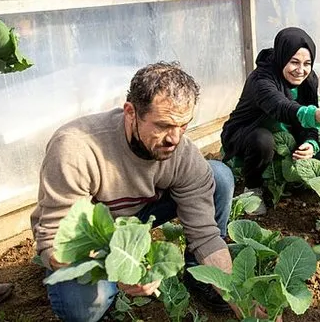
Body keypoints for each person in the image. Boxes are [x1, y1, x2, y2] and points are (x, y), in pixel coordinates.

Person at [30, 62, 248, 321]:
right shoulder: (76, 148)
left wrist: (239, 298)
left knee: (218, 176)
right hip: (91, 235)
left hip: (139, 217)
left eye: (183, 125)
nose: (174, 139)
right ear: (130, 112)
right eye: (163, 125)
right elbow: (56, 243)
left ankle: (198, 275)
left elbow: (206, 236)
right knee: (83, 310)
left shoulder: (182, 153)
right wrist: (121, 266)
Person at [221, 27, 320, 215]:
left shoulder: (309, 80)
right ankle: (252, 188)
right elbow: (281, 107)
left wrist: (310, 143)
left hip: (283, 134)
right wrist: (318, 115)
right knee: (263, 141)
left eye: (307, 63)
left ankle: (284, 179)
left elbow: (307, 124)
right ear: (282, 56)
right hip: (247, 133)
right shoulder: (261, 79)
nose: (301, 70)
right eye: (294, 62)